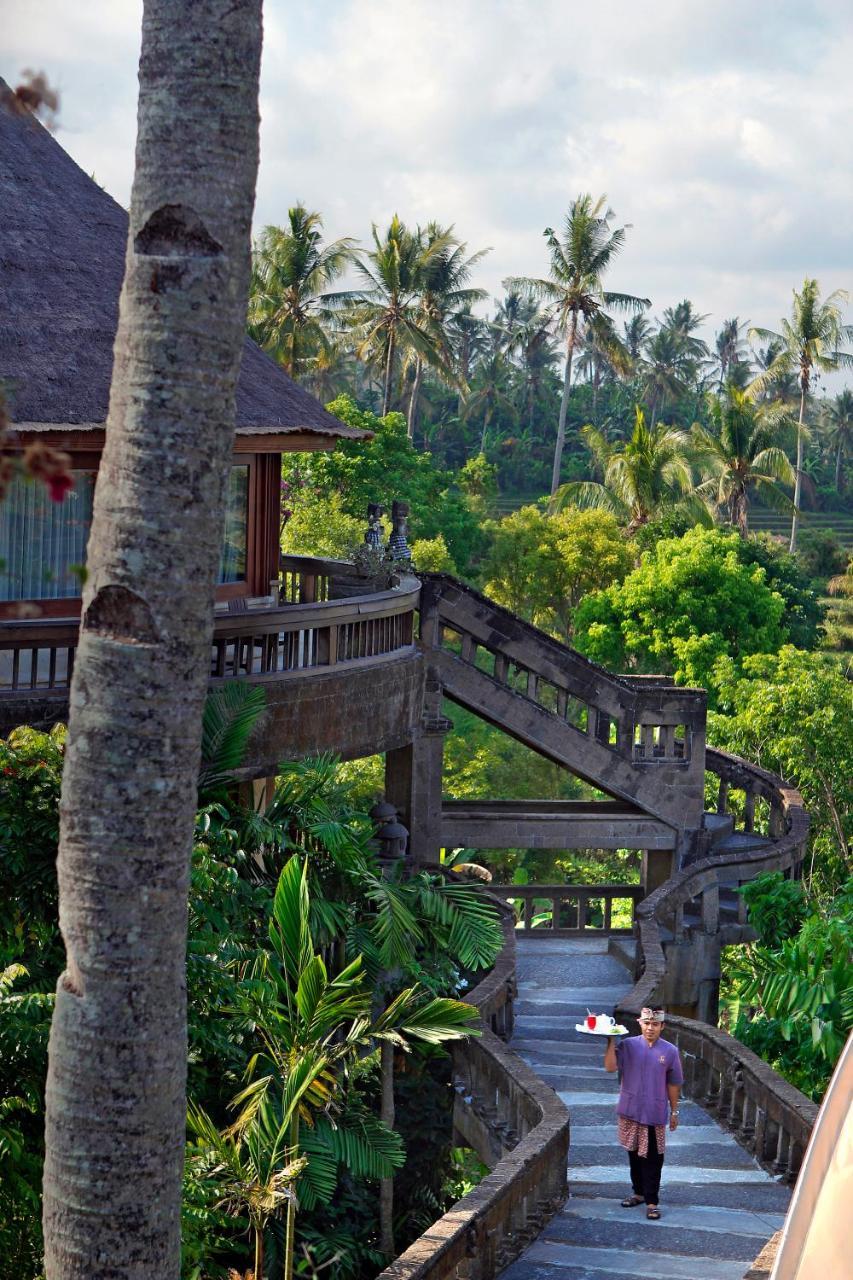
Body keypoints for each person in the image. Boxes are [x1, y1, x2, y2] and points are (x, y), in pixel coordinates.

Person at [603, 1006, 683, 1220]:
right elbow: (610, 1067)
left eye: (655, 1024)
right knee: (633, 1154)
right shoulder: (628, 1045)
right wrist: (610, 1040)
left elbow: (674, 1083)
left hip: (654, 1112)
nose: (650, 1028)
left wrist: (674, 1111)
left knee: (654, 1158)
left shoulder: (669, 1051)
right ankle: (638, 1193)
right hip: (630, 1110)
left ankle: (652, 1201)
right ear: (640, 1023)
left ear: (662, 1026)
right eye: (647, 1023)